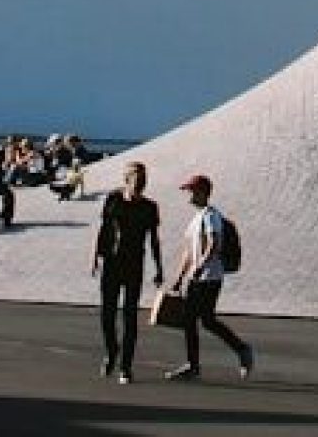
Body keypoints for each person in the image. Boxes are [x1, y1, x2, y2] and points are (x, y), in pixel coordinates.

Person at [165, 174, 253, 382]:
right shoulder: (196, 219)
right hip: (199, 276)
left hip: (210, 277)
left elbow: (214, 244)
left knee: (194, 320)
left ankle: (196, 365)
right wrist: (180, 276)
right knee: (205, 321)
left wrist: (200, 267)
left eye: (191, 191)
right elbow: (189, 251)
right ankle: (238, 350)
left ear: (202, 192)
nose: (188, 195)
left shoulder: (211, 216)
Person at [91, 162, 163, 384]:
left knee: (130, 316)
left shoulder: (150, 207)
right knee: (107, 315)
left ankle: (126, 366)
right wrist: (95, 256)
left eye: (143, 183)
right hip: (112, 263)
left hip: (134, 265)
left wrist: (159, 268)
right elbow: (104, 229)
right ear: (127, 180)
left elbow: (154, 239)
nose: (140, 187)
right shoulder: (113, 199)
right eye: (137, 182)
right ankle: (112, 350)